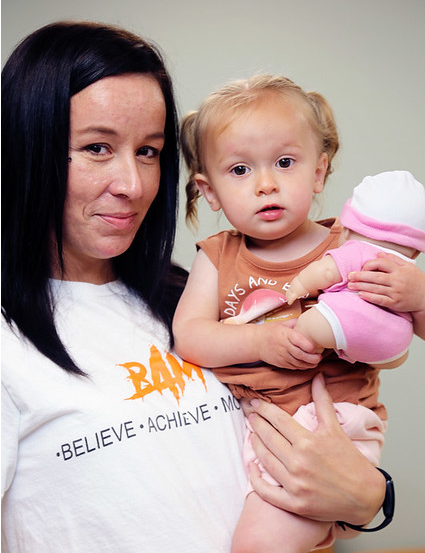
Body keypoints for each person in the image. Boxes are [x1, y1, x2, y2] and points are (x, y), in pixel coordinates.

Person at [0, 22, 406, 553]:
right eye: (98, 147)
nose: (134, 184)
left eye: (149, 151)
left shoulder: (186, 294)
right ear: (29, 148)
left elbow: (296, 468)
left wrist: (370, 497)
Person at [172, 74, 425, 552]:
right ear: (209, 191)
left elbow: (412, 330)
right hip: (254, 428)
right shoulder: (217, 255)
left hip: (336, 429)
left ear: (319, 171)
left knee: (258, 545)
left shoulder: (349, 246)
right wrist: (260, 342)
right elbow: (189, 336)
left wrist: (418, 295)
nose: (266, 184)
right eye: (240, 171)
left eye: (285, 163)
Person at [286, 170, 425, 369]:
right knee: (400, 356)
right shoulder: (407, 271)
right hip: (394, 340)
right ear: (415, 253)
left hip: (346, 318)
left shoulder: (356, 250)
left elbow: (325, 272)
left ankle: (312, 347)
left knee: (307, 326)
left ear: (348, 230)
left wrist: (300, 284)